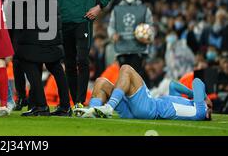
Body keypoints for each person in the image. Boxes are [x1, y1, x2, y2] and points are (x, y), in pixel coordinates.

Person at [54, 0, 113, 108]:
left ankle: (80, 100)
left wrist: (98, 7)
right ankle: (75, 102)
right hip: (63, 22)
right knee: (69, 63)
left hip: (82, 21)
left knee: (82, 60)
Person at [76, 64, 212, 120]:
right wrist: (192, 95)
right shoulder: (188, 104)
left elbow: (198, 82)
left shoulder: (200, 111)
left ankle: (109, 107)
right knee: (101, 82)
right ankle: (92, 112)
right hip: (135, 110)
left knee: (126, 69)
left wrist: (206, 99)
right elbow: (173, 85)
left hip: (150, 108)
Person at [107, 0, 153, 81]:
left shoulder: (144, 9)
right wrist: (113, 35)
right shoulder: (116, 10)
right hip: (122, 50)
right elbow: (111, 27)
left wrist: (148, 36)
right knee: (124, 78)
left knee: (137, 78)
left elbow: (150, 28)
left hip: (138, 50)